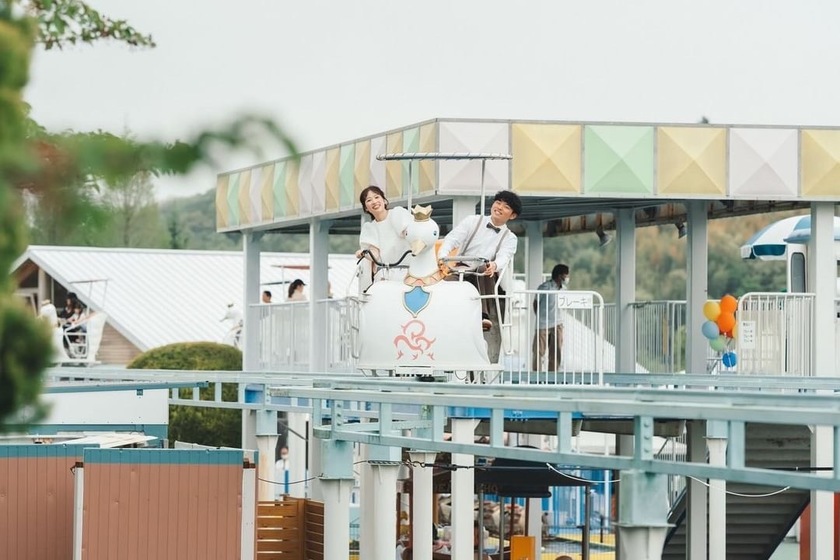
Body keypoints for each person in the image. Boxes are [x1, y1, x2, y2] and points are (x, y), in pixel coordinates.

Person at [437, 190, 522, 363]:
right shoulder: (472, 221)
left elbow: (504, 256)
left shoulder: (510, 238)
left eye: (506, 207)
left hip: (483, 273)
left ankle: (484, 316)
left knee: (484, 267)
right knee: (442, 286)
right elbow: (453, 239)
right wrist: (443, 256)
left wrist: (495, 265)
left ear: (512, 216)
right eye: (498, 202)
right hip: (461, 269)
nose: (499, 207)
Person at [356, 185, 412, 290]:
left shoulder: (397, 213)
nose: (374, 201)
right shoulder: (369, 227)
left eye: (377, 197)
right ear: (365, 208)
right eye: (369, 200)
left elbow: (410, 233)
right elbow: (375, 254)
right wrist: (363, 252)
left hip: (409, 271)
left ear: (384, 200)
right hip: (385, 274)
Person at [532, 263, 569, 372]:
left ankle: (553, 375)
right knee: (539, 351)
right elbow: (535, 303)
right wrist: (540, 316)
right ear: (560, 275)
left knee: (556, 351)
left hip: (558, 323)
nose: (567, 278)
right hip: (543, 323)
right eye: (566, 275)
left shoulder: (564, 289)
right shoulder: (544, 287)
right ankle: (536, 376)